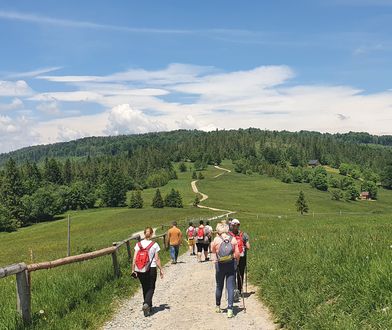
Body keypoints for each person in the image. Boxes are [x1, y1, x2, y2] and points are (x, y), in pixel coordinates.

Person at [131, 227, 164, 317]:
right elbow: (157, 259)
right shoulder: (154, 244)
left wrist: (133, 270)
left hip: (140, 269)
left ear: (144, 233)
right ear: (152, 234)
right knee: (151, 287)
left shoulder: (138, 244)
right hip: (151, 268)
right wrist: (161, 269)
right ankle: (146, 303)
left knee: (145, 287)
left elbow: (134, 258)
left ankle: (149, 306)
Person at [211, 222, 240, 318]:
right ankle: (230, 310)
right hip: (231, 264)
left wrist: (215, 262)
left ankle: (218, 306)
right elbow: (237, 254)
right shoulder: (233, 239)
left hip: (220, 265)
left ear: (218, 230)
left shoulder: (216, 240)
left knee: (219, 285)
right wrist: (237, 262)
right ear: (227, 229)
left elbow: (213, 252)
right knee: (230, 287)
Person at [229, 219, 250, 300]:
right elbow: (248, 247)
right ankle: (240, 290)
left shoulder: (229, 235)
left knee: (232, 274)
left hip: (232, 257)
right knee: (240, 273)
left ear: (232, 225)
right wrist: (243, 246)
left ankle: (234, 291)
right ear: (239, 225)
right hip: (242, 257)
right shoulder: (244, 235)